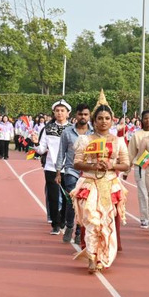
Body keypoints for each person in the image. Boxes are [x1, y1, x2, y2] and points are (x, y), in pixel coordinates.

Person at [71, 101, 130, 273]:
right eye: (100, 118)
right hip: (90, 183)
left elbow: (126, 164)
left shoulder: (118, 141)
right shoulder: (85, 140)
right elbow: (77, 163)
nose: (104, 121)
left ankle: (103, 257)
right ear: (94, 121)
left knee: (107, 222)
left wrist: (112, 166)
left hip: (110, 185)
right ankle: (91, 257)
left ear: (112, 120)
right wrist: (92, 166)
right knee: (92, 221)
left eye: (107, 118)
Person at [31, 100, 71, 235]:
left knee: (67, 197)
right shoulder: (47, 129)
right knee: (53, 197)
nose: (60, 113)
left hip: (68, 167)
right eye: (57, 111)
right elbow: (42, 149)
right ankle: (55, 223)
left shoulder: (72, 129)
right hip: (51, 167)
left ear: (68, 113)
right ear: (54, 112)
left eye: (62, 111)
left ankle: (63, 219)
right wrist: (36, 143)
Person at [56, 103, 92, 244]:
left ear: (89, 116)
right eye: (80, 114)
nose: (83, 117)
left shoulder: (94, 133)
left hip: (88, 172)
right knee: (72, 199)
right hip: (71, 170)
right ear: (76, 115)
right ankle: (70, 225)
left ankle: (79, 231)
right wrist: (58, 172)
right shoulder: (67, 132)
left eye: (85, 114)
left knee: (84, 202)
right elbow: (61, 152)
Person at [125, 110, 149, 228]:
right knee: (143, 194)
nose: (148, 120)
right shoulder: (137, 135)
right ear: (141, 120)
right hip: (141, 167)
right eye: (145, 118)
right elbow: (131, 153)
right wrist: (126, 171)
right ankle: (145, 218)